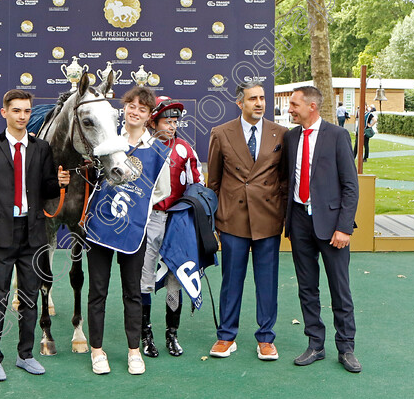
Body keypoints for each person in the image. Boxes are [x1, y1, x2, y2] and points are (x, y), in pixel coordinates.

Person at [0, 89, 69, 382]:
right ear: (5, 113)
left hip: (33, 233)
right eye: (16, 111)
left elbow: (47, 188)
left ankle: (26, 354)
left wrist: (60, 183)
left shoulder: (41, 148)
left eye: (26, 111)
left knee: (30, 298)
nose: (22, 116)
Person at [85, 87, 170, 376]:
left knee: (132, 292)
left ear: (148, 116)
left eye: (142, 109)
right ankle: (96, 350)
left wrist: (138, 206)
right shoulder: (108, 139)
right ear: (124, 108)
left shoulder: (158, 150)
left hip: (134, 231)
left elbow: (162, 191)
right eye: (130, 105)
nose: (134, 111)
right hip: (101, 226)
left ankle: (134, 350)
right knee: (97, 290)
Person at [207, 82, 288, 362]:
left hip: (268, 219)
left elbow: (285, 180)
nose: (259, 103)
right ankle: (226, 336)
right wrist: (214, 219)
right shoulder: (221, 133)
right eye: (253, 98)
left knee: (267, 280)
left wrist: (284, 216)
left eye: (263, 98)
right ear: (240, 102)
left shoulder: (281, 133)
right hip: (232, 219)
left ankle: (266, 338)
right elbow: (214, 181)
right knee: (231, 280)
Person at [284, 85, 360, 373]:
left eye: (294, 104)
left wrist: (344, 228)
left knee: (340, 289)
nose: (290, 109)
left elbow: (350, 187)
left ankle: (346, 348)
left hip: (332, 227)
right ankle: (315, 344)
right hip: (300, 221)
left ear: (311, 106)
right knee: (307, 287)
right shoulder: (292, 137)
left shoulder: (338, 135)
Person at [139, 96, 204, 359]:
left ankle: (171, 334)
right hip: (149, 220)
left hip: (177, 221)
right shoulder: (143, 148)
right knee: (144, 278)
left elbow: (197, 185)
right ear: (153, 121)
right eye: (167, 120)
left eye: (175, 121)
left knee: (174, 279)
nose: (172, 125)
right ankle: (146, 334)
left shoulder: (186, 150)